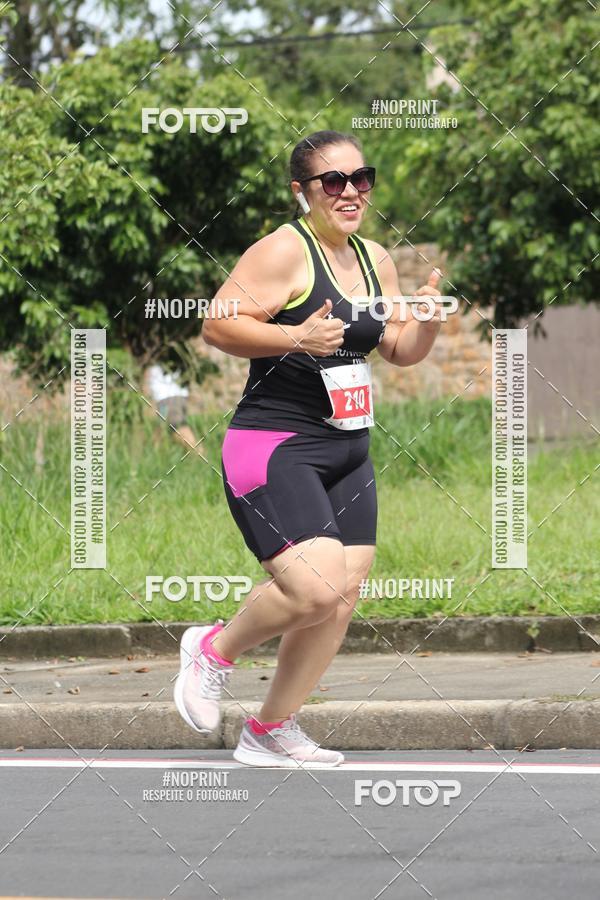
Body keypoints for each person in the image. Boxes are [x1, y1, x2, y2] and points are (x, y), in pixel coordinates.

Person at [173, 130, 445, 767]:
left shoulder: (376, 257)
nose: (350, 192)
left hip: (348, 448)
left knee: (342, 595)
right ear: (303, 193)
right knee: (315, 588)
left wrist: (426, 319)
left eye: (361, 178)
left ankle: (270, 729)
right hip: (275, 444)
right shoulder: (283, 252)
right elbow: (217, 323)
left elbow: (399, 350)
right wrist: (293, 337)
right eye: (333, 182)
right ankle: (212, 649)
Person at [146, 363, 199, 452]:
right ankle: (153, 457)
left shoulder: (160, 358)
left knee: (178, 427)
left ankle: (198, 454)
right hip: (166, 401)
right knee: (160, 429)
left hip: (169, 400)